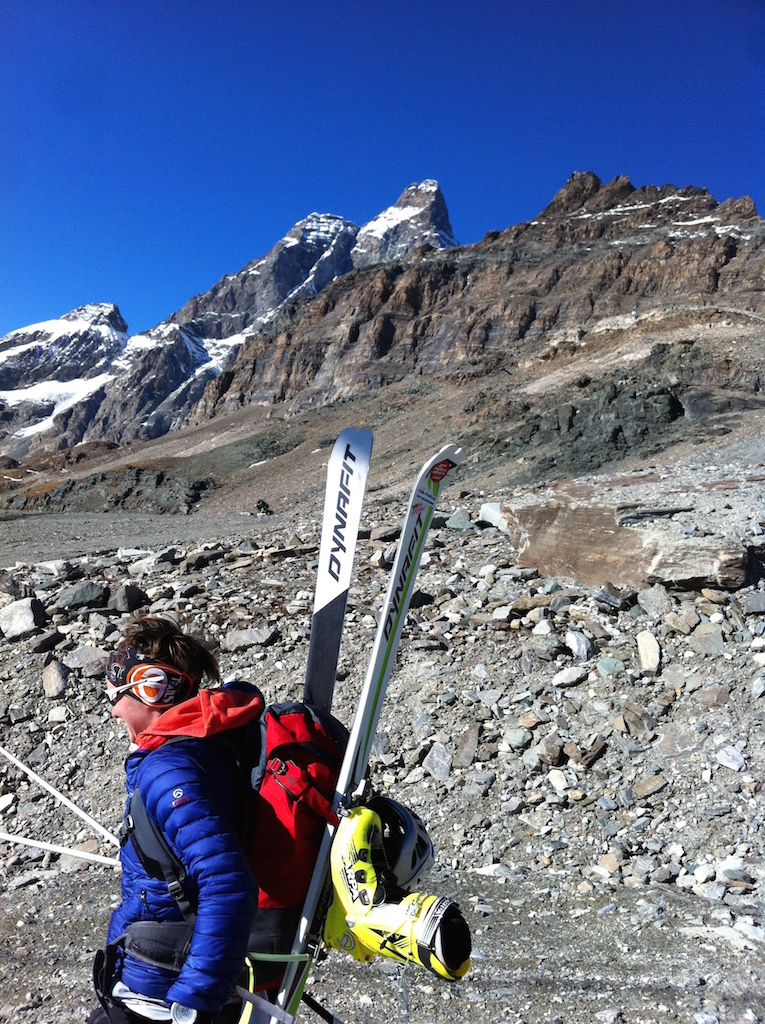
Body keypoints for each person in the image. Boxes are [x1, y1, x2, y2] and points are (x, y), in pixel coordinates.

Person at [89, 614, 264, 1024]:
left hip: (164, 988)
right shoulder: (203, 748)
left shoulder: (169, 772)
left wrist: (196, 997)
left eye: (116, 695)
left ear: (149, 689)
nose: (113, 710)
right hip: (168, 970)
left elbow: (227, 881)